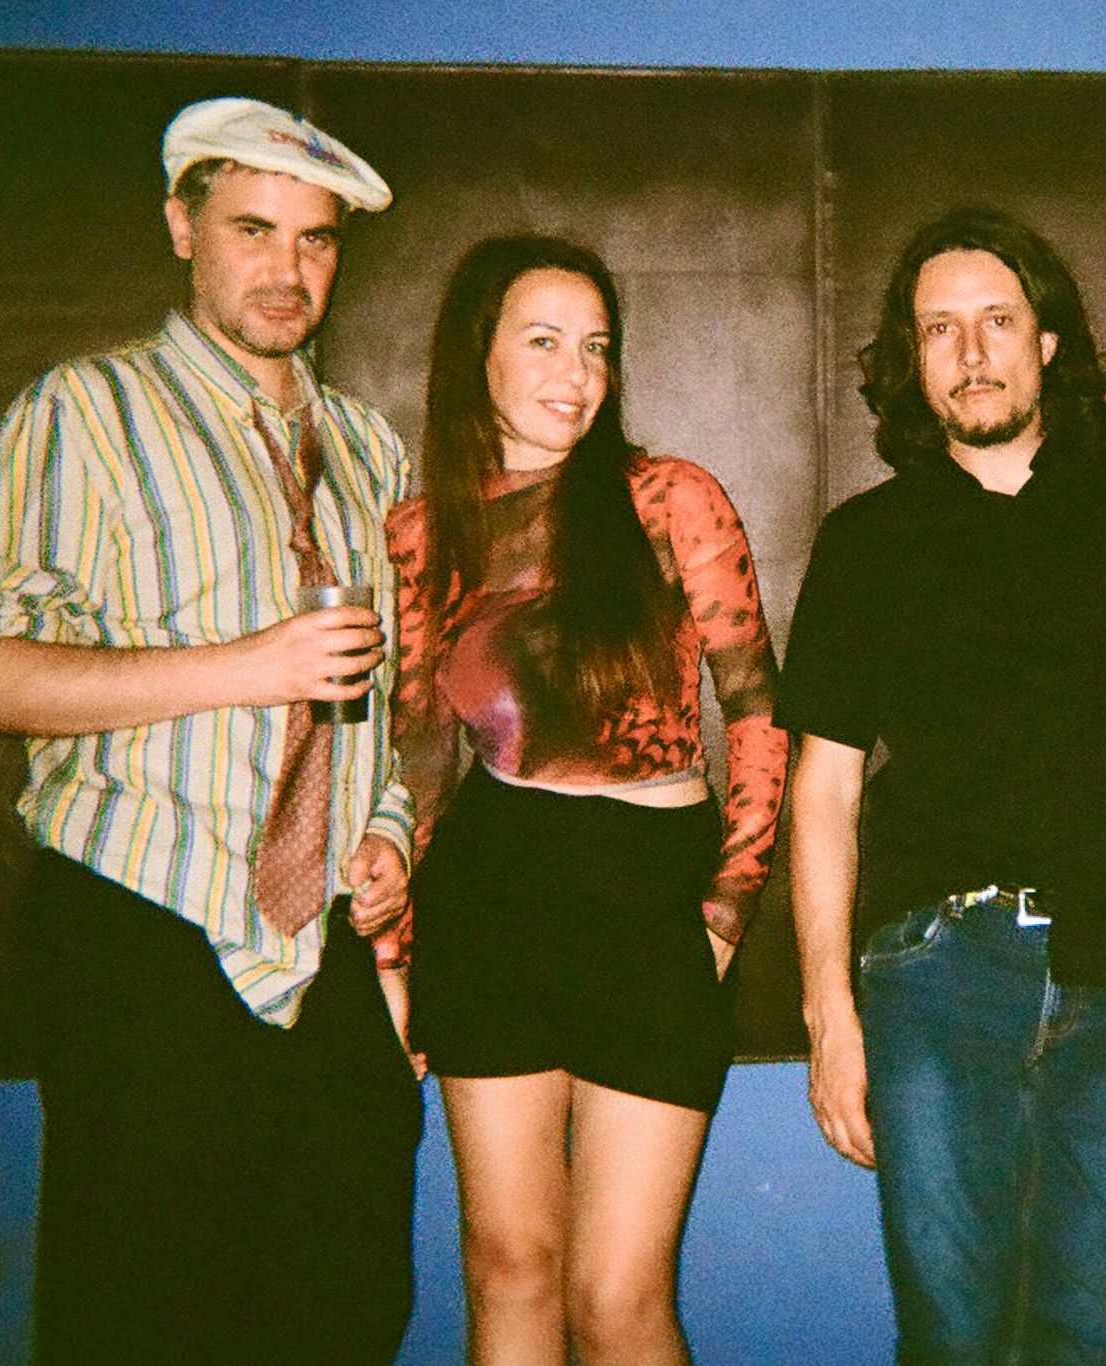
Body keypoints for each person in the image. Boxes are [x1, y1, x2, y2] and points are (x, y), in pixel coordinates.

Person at [0, 97, 421, 1364]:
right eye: (252, 229)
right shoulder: (84, 413)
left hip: (320, 949)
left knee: (346, 1308)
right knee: (144, 1318)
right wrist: (245, 666)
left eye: (314, 238)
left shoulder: (368, 449)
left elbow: (389, 710)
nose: (286, 268)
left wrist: (386, 831)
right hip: (144, 922)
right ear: (182, 227)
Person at [777, 205, 1106, 1364]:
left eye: (996, 320)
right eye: (939, 329)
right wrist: (827, 1015)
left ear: (1046, 342)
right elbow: (822, 790)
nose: (970, 351)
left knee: (1082, 1332)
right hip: (932, 977)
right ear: (911, 361)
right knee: (951, 1337)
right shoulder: (866, 540)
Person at [378, 234, 788, 1365]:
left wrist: (728, 906)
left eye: (596, 347)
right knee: (509, 1268)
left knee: (618, 1298)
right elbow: (418, 759)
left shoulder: (669, 498)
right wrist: (394, 955)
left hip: (649, 894)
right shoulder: (421, 535)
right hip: (490, 892)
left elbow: (757, 707)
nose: (576, 373)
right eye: (544, 341)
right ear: (478, 357)